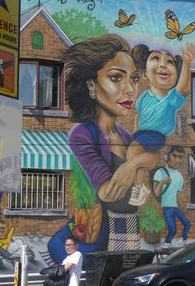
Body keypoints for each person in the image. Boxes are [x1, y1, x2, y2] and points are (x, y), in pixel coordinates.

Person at [64, 34, 153, 252]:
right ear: (91, 84)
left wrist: (138, 168)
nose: (130, 89)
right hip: (104, 233)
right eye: (116, 78)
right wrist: (135, 164)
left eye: (133, 79)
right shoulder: (83, 134)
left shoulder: (127, 137)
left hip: (131, 227)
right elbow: (107, 192)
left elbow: (144, 181)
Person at [111, 42, 195, 206]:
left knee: (137, 159)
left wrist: (187, 64)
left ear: (175, 78)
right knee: (133, 156)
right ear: (144, 74)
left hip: (157, 135)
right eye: (156, 59)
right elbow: (138, 116)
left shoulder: (172, 97)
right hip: (141, 135)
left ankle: (137, 182)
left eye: (169, 62)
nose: (163, 64)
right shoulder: (144, 97)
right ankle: (139, 187)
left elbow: (184, 89)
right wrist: (135, 135)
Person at [153, 145, 191, 247]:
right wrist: (162, 182)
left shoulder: (179, 176)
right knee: (173, 230)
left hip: (176, 207)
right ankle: (167, 244)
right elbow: (156, 193)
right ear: (167, 157)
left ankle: (182, 239)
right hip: (167, 207)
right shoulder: (160, 172)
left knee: (187, 224)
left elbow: (178, 194)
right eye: (174, 156)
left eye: (180, 157)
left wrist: (182, 205)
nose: (177, 160)